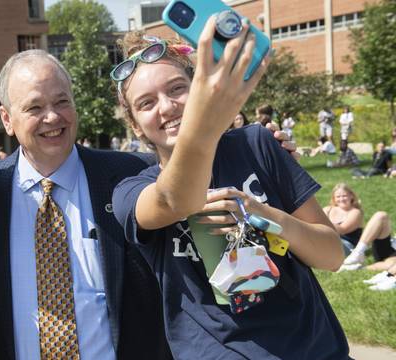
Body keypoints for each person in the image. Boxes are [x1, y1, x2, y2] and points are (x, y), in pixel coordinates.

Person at [110, 22, 348, 359]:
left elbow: (332, 255)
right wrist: (206, 125)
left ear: (198, 87)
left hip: (316, 350)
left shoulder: (256, 145)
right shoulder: (132, 191)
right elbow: (174, 199)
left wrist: (262, 214)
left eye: (177, 88)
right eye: (146, 103)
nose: (166, 107)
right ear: (135, 124)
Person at [0, 49, 171, 359]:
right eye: (34, 107)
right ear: (7, 119)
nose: (53, 117)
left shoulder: (133, 176)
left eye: (62, 102)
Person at [322, 183, 363, 254]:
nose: (341, 199)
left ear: (351, 196)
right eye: (338, 197)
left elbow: (342, 229)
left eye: (344, 196)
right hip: (326, 241)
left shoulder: (355, 212)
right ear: (334, 198)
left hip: (347, 245)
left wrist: (321, 223)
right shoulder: (327, 210)